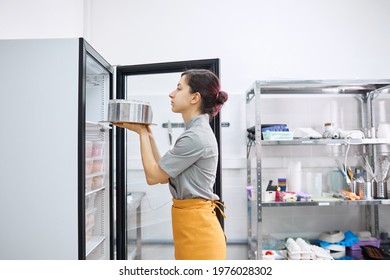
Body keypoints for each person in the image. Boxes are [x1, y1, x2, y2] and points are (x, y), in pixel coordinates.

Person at [113, 69, 229, 260]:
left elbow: (153, 177)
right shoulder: (194, 132)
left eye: (179, 88)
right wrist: (147, 133)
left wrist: (141, 134)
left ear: (195, 98)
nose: (171, 94)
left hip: (200, 235)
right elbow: (162, 171)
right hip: (193, 228)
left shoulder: (195, 136)